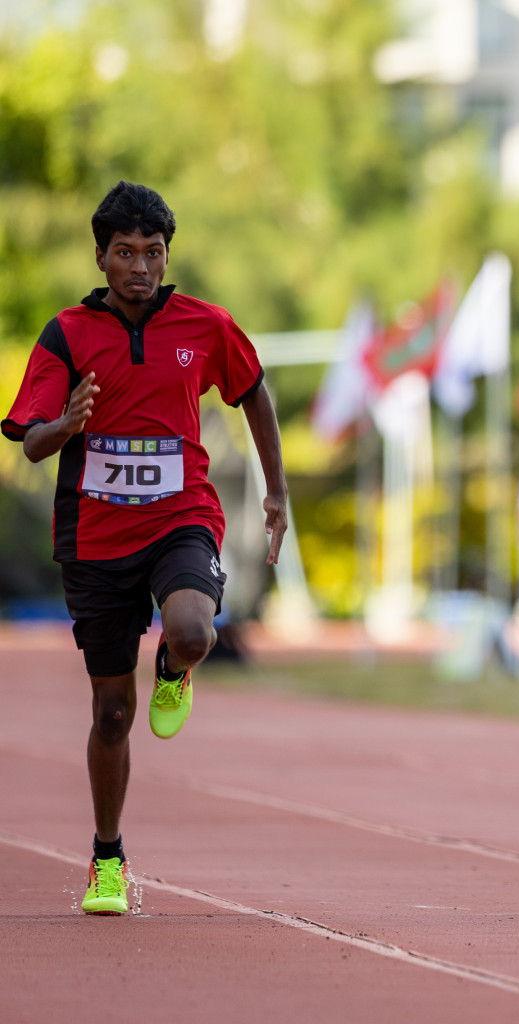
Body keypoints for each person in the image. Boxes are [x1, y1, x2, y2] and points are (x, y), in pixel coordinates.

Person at [2, 181, 287, 914]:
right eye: (124, 253)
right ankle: (107, 861)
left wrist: (277, 493)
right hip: (95, 538)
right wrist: (64, 427)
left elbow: (253, 390)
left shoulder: (204, 326)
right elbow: (30, 443)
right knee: (111, 716)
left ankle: (173, 664)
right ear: (101, 256)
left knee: (194, 630)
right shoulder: (66, 335)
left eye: (152, 253)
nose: (139, 266)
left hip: (179, 517)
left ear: (167, 257)